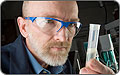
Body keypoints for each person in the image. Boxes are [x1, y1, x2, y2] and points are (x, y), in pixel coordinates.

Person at [1, 1, 115, 74]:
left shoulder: (62, 65)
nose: (63, 37)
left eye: (71, 24)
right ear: (24, 28)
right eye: (48, 21)